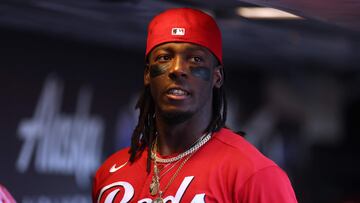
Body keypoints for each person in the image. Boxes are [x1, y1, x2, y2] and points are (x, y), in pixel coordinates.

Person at [92, 8, 297, 203]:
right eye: (165, 57)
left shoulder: (252, 174)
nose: (178, 69)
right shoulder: (111, 172)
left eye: (195, 59)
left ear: (217, 77)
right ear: (148, 74)